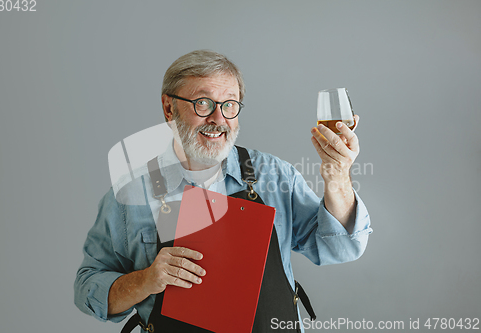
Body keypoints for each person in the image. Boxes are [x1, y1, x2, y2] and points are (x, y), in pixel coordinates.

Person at [74, 50, 372, 333]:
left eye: (229, 104)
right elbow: (88, 288)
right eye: (202, 103)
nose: (218, 119)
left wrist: (338, 176)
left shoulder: (274, 175)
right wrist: (145, 280)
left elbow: (342, 247)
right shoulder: (129, 197)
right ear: (169, 108)